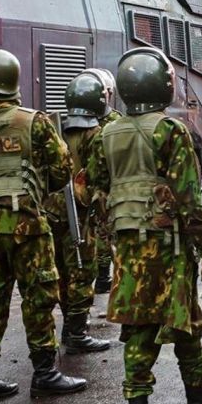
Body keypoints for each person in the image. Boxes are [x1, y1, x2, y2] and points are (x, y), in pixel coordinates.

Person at [87, 47, 202, 404]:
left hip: (128, 246)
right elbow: (189, 198)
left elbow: (94, 187)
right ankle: (196, 400)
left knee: (138, 327)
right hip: (168, 245)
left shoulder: (106, 134)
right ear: (163, 87)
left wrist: (111, 231)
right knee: (185, 320)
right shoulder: (170, 131)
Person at [0, 49, 86, 404]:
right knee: (38, 296)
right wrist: (34, 188)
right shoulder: (35, 122)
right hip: (28, 226)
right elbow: (63, 171)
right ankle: (45, 373)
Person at [47, 72, 112, 354]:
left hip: (52, 211)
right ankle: (76, 332)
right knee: (83, 271)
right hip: (80, 214)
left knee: (62, 270)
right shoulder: (95, 134)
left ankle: (69, 327)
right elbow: (99, 177)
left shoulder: (55, 127)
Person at [82, 67, 119, 296]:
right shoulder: (114, 122)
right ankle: (104, 276)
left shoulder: (81, 123)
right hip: (100, 185)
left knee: (100, 232)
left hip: (97, 186)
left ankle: (103, 276)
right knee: (102, 232)